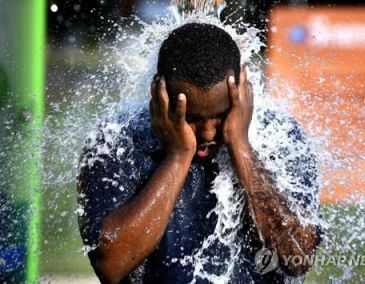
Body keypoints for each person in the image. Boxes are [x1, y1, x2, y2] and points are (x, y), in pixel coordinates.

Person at [77, 23, 322, 284]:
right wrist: (178, 156)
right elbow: (111, 265)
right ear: (160, 96)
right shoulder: (117, 142)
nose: (206, 133)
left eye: (219, 116)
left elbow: (298, 256)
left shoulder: (280, 137)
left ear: (243, 92)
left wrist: (241, 147)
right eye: (191, 117)